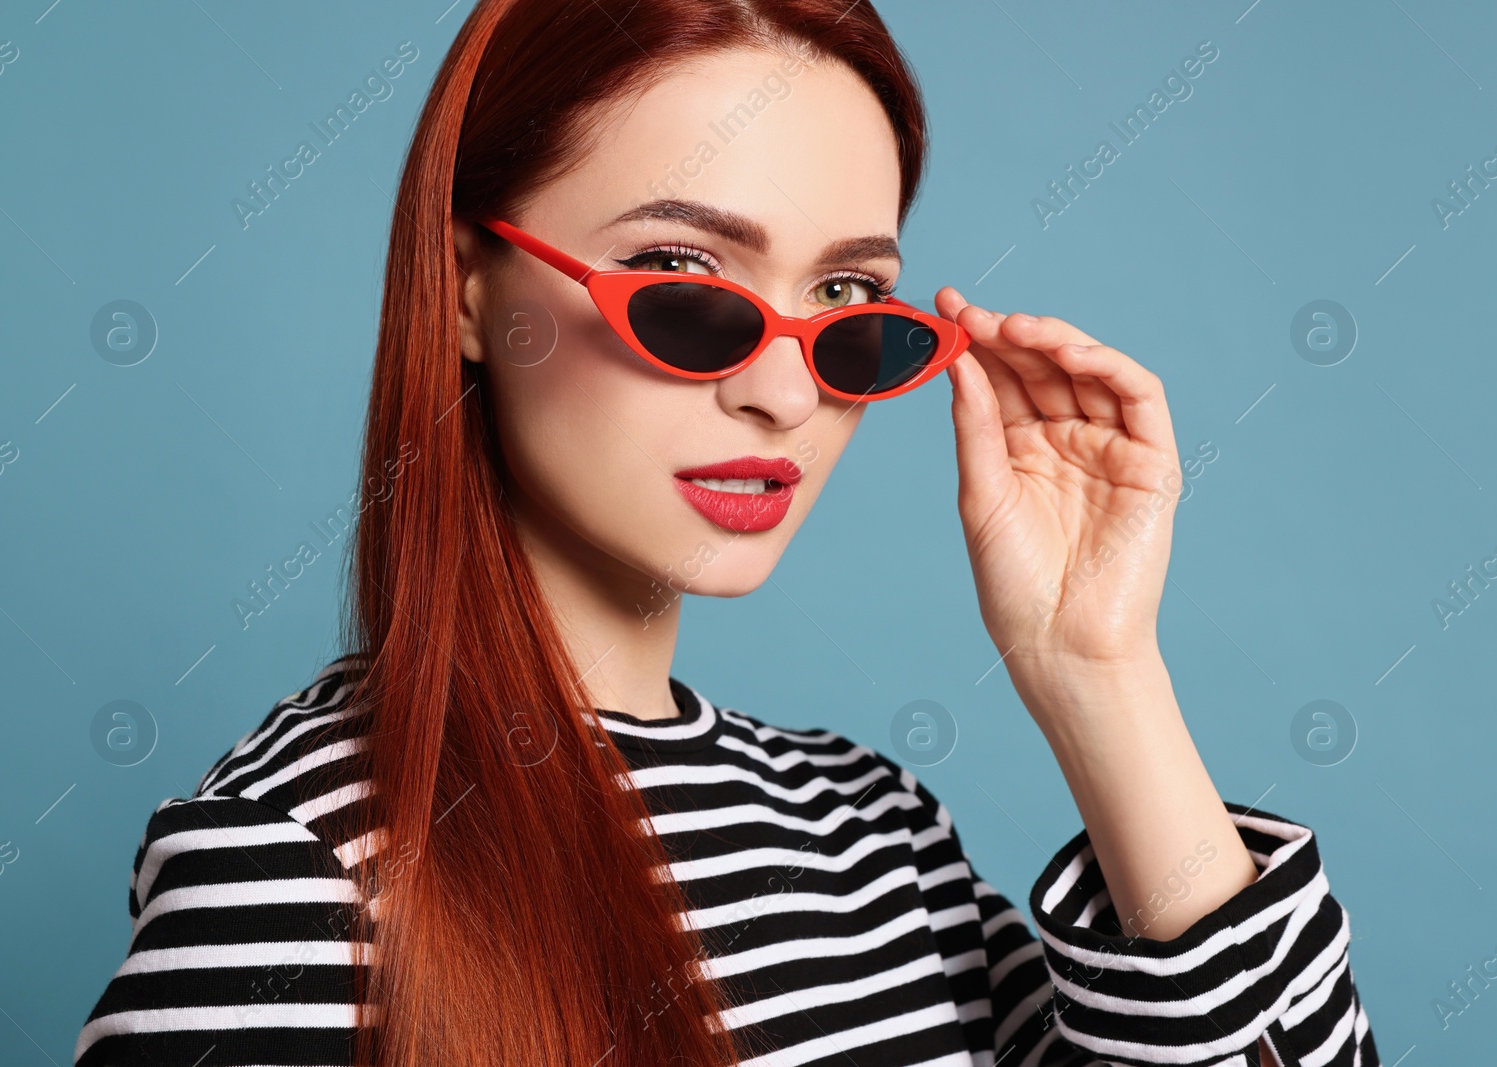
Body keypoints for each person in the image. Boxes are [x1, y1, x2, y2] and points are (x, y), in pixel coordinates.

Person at [73, 1, 1377, 1064]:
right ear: (471, 291)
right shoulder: (298, 877)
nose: (785, 387)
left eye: (850, 296)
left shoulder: (878, 840)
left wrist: (1101, 675)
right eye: (687, 280)